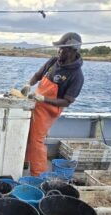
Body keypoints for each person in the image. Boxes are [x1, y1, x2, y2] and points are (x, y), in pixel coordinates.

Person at [21, 32, 84, 176]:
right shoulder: (53, 61)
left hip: (48, 110)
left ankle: (38, 175)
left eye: (63, 49)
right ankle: (23, 162)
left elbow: (67, 101)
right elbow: (37, 76)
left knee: (36, 140)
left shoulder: (77, 76)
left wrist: (43, 99)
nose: (59, 51)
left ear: (72, 50)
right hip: (35, 102)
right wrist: (28, 84)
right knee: (25, 132)